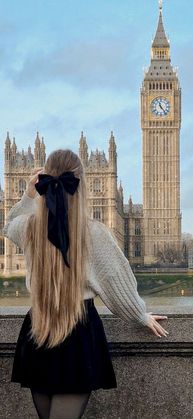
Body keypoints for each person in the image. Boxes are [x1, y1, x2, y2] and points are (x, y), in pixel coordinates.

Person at [3, 149, 169, 419]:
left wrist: (29, 194)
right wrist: (140, 313)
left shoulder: (28, 228)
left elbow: (7, 224)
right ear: (80, 185)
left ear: (43, 180)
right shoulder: (94, 233)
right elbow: (117, 284)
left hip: (38, 331)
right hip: (77, 334)